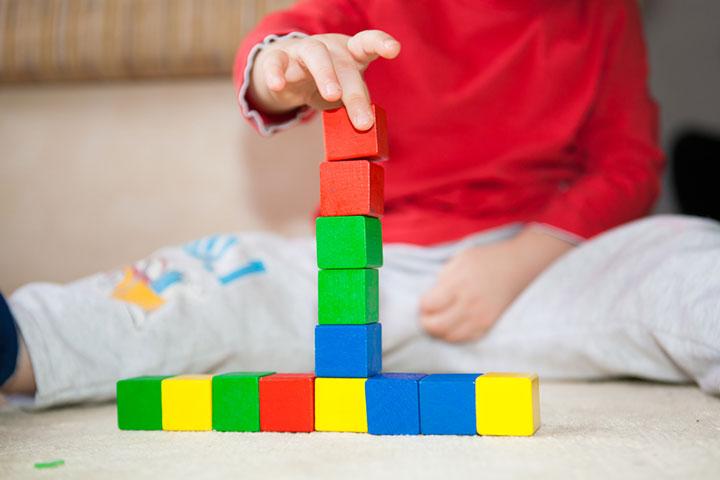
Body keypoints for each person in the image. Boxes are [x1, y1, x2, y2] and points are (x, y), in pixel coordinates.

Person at [2, 0, 719, 408]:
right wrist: (279, 67)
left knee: (685, 252)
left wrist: (519, 262)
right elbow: (284, 38)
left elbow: (632, 162)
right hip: (359, 272)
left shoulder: (600, 12)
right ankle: (22, 338)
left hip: (538, 272)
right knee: (212, 274)